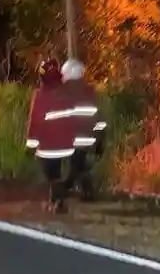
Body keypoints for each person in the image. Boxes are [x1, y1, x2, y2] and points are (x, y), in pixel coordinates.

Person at [25, 58, 76, 212]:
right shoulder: (66, 94)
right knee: (56, 170)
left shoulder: (41, 96)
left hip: (49, 145)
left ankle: (59, 202)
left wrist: (30, 145)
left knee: (51, 174)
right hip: (65, 143)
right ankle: (53, 200)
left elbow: (35, 122)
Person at [58, 58, 103, 202]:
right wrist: (101, 138)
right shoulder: (90, 92)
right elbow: (99, 117)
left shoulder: (67, 93)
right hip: (90, 139)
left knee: (76, 168)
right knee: (80, 166)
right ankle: (86, 192)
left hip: (75, 139)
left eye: (64, 74)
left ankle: (65, 190)